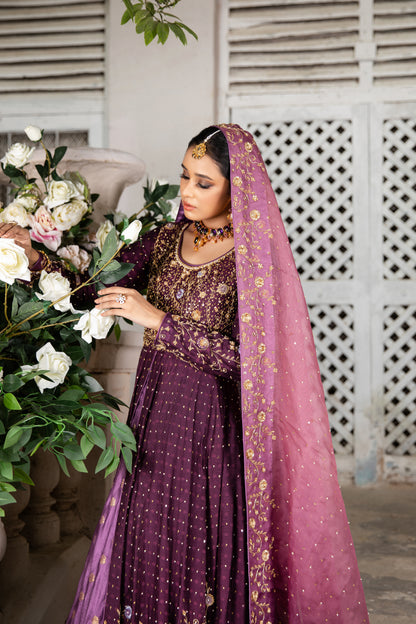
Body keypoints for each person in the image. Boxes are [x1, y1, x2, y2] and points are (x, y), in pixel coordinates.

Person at [0, 124, 369, 624]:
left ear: (235, 186)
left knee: (199, 551)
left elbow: (253, 364)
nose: (187, 193)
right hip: (154, 426)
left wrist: (158, 321)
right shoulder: (166, 239)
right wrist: (33, 253)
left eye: (203, 182)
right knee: (148, 542)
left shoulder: (253, 261)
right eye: (184, 178)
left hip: (212, 436)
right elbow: (94, 289)